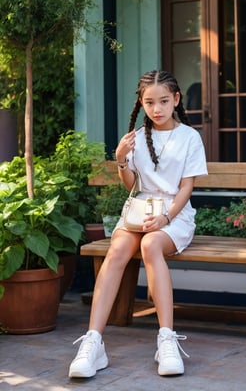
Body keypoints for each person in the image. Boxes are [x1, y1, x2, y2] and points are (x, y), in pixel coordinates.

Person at [69, 70, 207, 379]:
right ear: (141, 103)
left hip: (174, 215)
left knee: (151, 244)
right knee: (116, 251)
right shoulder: (135, 138)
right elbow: (131, 185)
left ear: (176, 100)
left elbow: (186, 188)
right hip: (138, 211)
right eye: (149, 102)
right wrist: (120, 160)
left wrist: (166, 218)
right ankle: (93, 342)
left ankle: (167, 339)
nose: (156, 109)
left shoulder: (189, 137)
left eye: (163, 101)